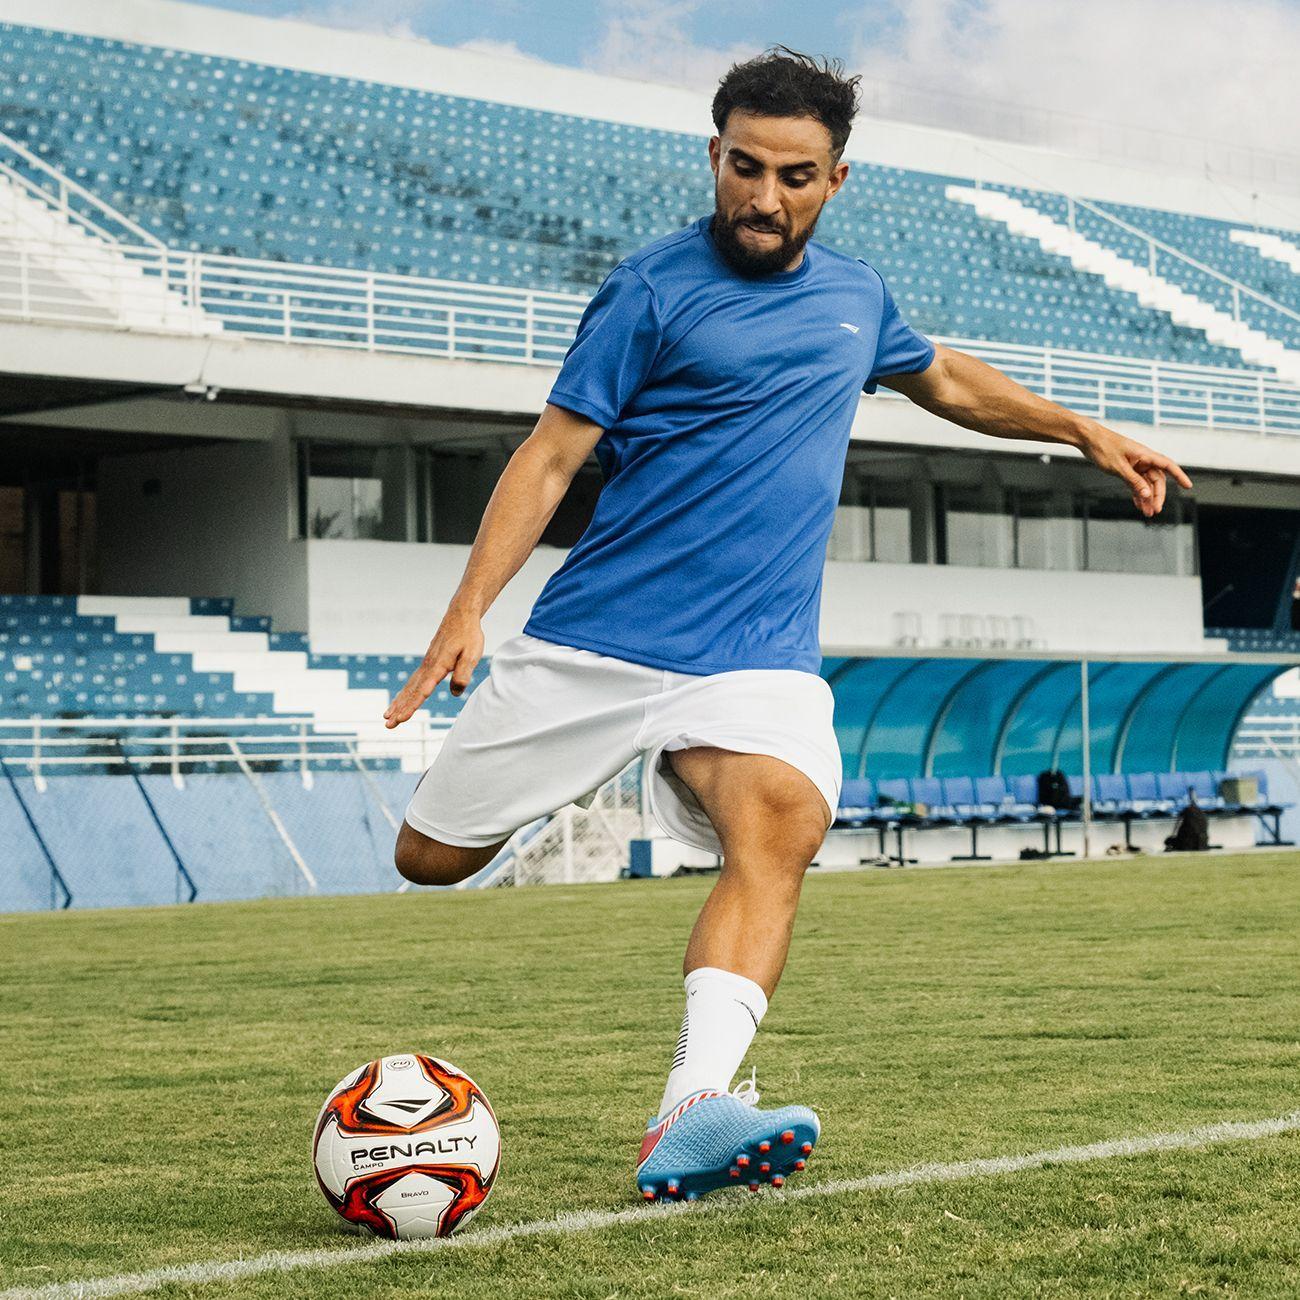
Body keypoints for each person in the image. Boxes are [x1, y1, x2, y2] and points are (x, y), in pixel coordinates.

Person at [384, 48, 1193, 1202]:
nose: (765, 197)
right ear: (713, 156)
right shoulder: (650, 291)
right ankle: (604, 768)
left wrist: (1081, 432)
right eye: (745, 166)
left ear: (836, 179)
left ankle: (691, 1110)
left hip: (752, 655)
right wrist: (467, 611)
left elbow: (948, 381)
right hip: (597, 641)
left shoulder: (857, 299)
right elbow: (552, 452)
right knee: (429, 859)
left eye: (795, 175)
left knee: (784, 821)